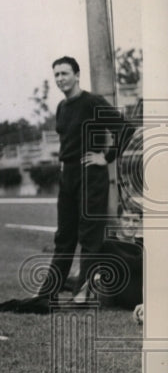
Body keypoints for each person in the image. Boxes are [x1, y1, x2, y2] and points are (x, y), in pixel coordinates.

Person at [41, 56, 123, 297]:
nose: (60, 79)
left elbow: (124, 128)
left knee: (89, 235)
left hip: (91, 175)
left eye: (64, 73)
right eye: (56, 75)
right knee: (64, 235)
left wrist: (105, 157)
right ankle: (49, 291)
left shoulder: (92, 102)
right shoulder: (61, 107)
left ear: (77, 75)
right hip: (68, 177)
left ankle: (82, 292)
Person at [73, 207, 143, 310]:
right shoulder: (109, 244)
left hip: (141, 297)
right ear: (118, 220)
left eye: (135, 221)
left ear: (140, 223)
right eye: (126, 219)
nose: (131, 225)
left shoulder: (143, 243)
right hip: (122, 298)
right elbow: (131, 264)